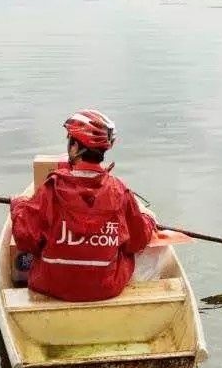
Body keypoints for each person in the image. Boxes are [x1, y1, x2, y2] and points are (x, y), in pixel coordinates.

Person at [10, 109, 157, 302]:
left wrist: (18, 205)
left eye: (70, 140)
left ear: (75, 147)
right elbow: (137, 241)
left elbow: (25, 238)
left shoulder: (51, 189)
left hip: (52, 286)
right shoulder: (120, 191)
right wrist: (148, 219)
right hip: (105, 289)